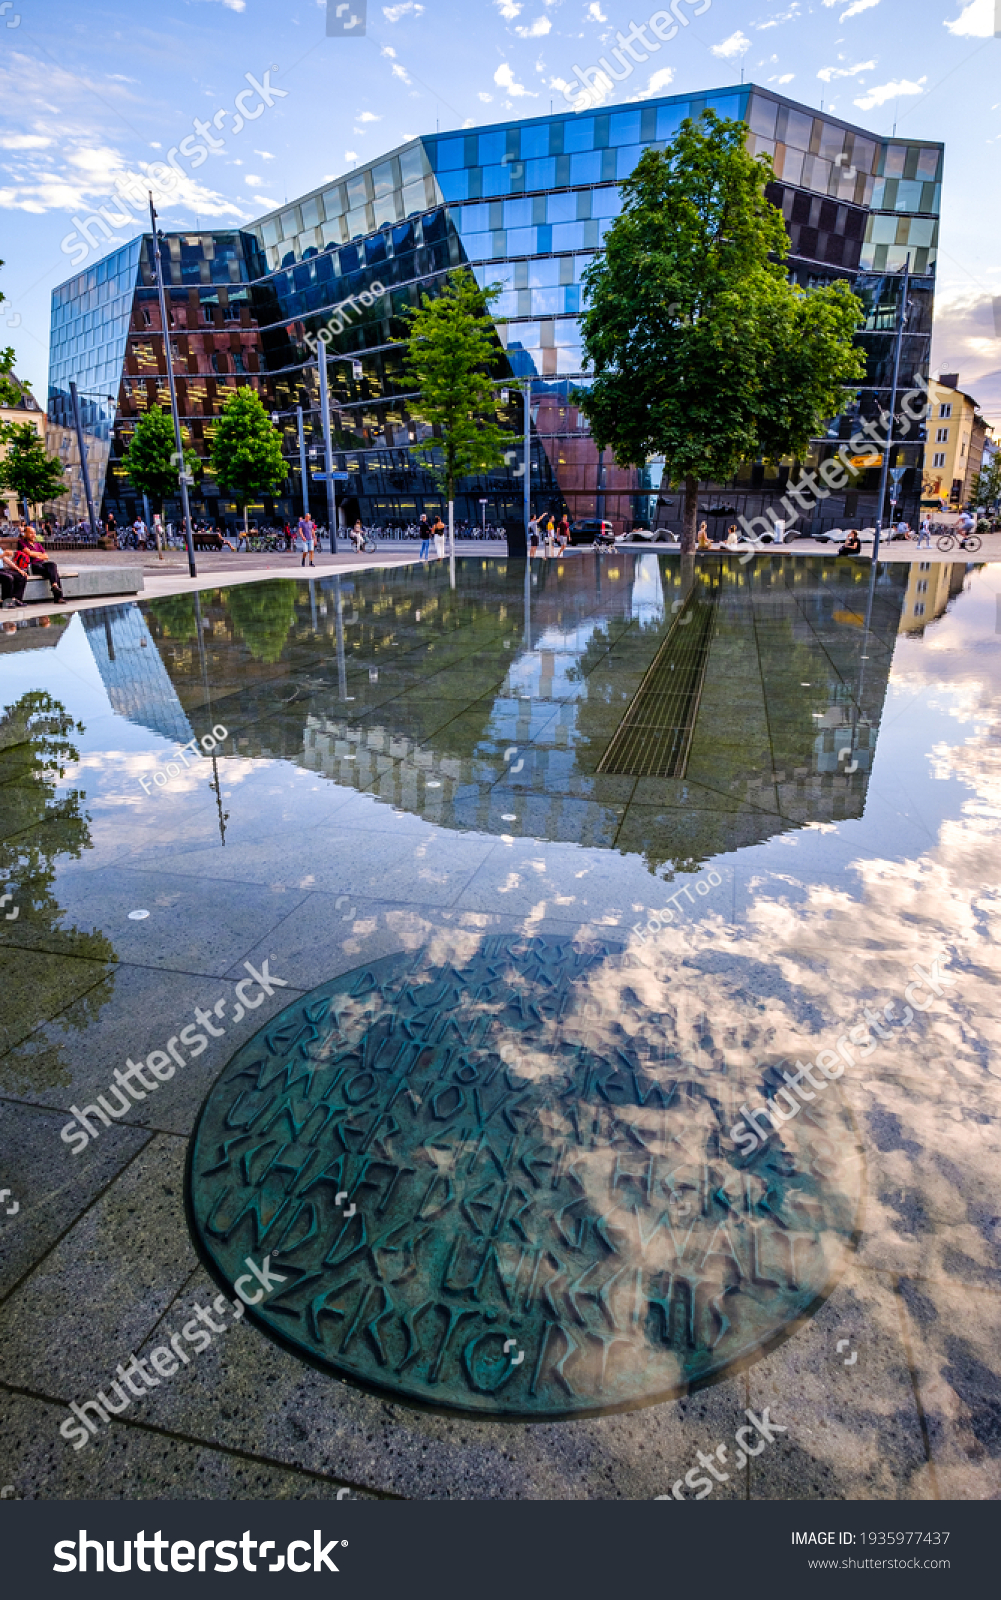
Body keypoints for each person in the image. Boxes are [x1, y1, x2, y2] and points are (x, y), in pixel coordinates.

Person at [16, 524, 64, 601]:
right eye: (31, 533)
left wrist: (35, 554)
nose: (33, 535)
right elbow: (29, 553)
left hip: (42, 564)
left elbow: (46, 556)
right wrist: (39, 554)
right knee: (54, 573)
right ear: (25, 533)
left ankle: (54, 585)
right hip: (32, 566)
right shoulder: (22, 542)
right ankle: (58, 597)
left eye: (34, 533)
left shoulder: (37, 544)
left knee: (52, 565)